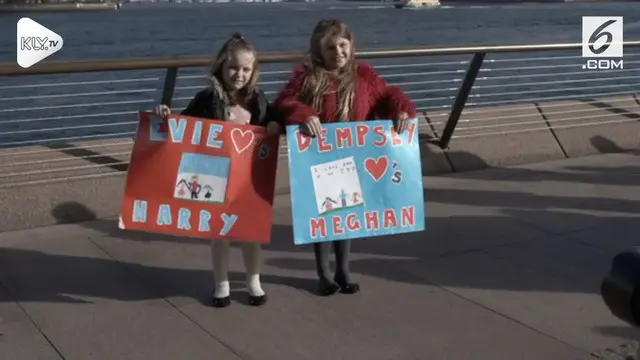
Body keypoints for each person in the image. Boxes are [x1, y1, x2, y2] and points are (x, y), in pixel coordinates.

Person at [273, 19, 417, 296]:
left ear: (350, 45)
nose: (337, 52)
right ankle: (323, 273)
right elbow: (284, 102)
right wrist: (304, 115)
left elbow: (388, 95)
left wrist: (401, 109)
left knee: (347, 214)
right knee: (324, 215)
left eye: (342, 45)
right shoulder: (307, 77)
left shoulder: (363, 75)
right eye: (330, 47)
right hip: (321, 157)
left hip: (355, 155)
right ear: (318, 50)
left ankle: (343, 269)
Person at [155, 32, 282, 308]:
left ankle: (253, 281)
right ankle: (221, 284)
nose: (239, 74)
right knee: (219, 233)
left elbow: (273, 118)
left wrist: (274, 125)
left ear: (254, 71)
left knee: (251, 232)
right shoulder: (207, 98)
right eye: (234, 67)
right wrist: (167, 116)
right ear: (221, 67)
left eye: (246, 69)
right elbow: (184, 125)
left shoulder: (258, 100)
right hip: (215, 176)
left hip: (248, 178)